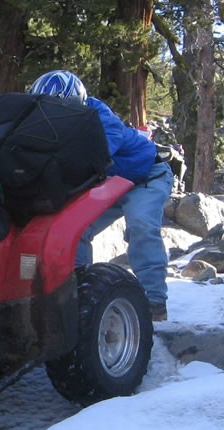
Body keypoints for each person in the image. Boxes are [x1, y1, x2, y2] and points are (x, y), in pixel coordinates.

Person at [29, 70, 174, 321]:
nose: (53, 117)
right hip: (109, 182)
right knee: (75, 228)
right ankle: (79, 290)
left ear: (75, 103)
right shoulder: (50, 125)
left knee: (141, 224)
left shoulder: (99, 117)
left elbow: (98, 153)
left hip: (146, 175)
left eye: (58, 110)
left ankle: (154, 300)